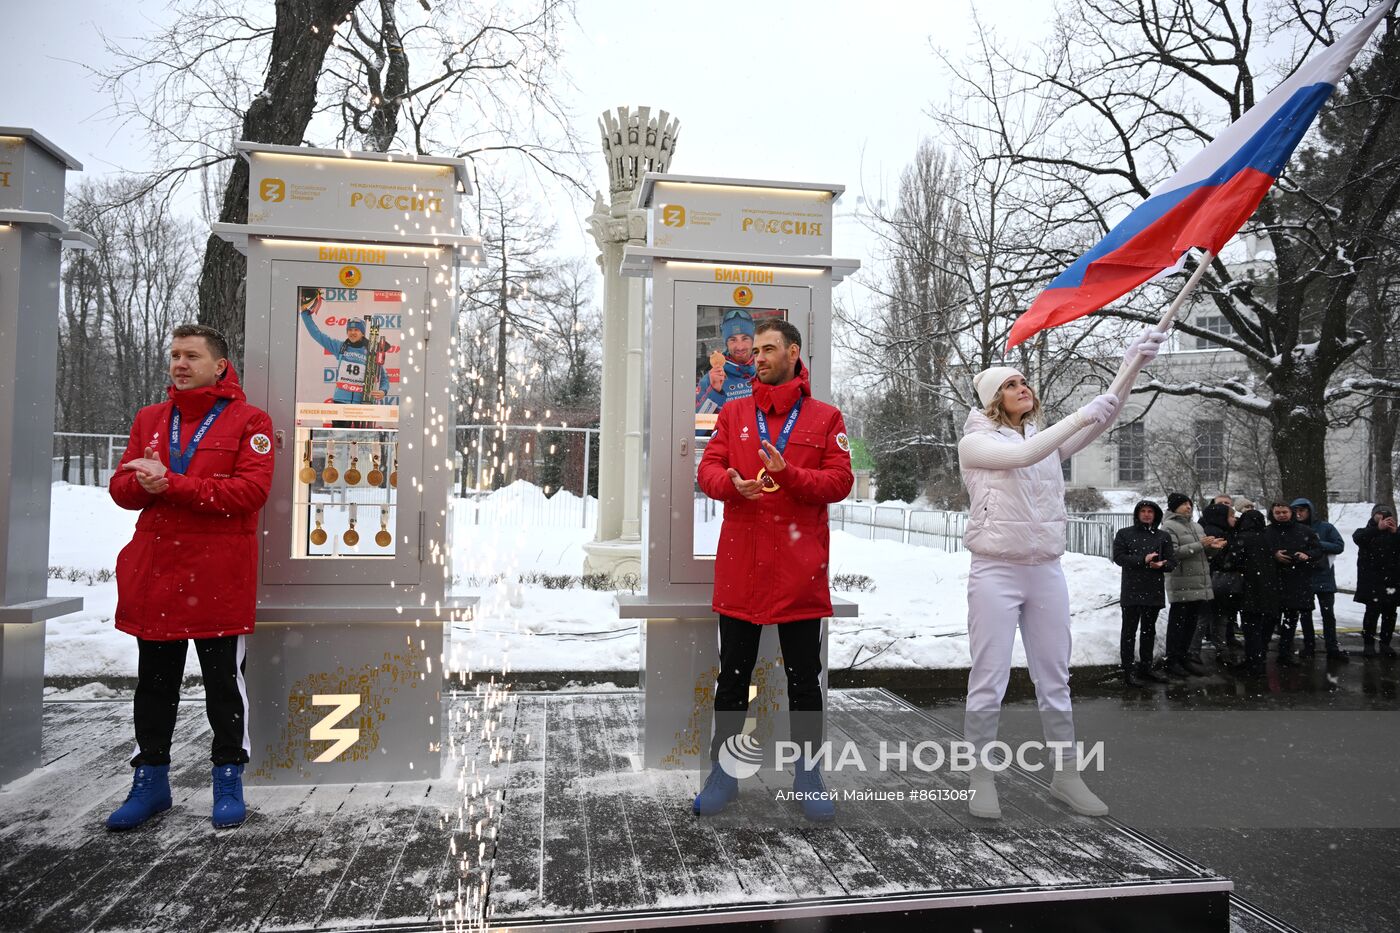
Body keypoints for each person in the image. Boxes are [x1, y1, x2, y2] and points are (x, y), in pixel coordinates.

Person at [958, 326, 1169, 820]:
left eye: (1024, 381)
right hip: (995, 570)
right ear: (993, 399)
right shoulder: (975, 443)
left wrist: (1131, 364)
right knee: (989, 677)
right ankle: (980, 775)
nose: (1022, 387)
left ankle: (1066, 775)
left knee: (1055, 677)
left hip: (1045, 569)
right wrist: (1079, 414)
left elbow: (1104, 414)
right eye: (1011, 384)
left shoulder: (1043, 437)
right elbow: (1023, 455)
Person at [105, 324, 275, 831]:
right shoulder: (150, 419)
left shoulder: (251, 421)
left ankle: (228, 778)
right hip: (157, 574)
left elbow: (248, 495)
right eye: (175, 355)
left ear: (220, 365)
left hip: (219, 577)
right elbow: (121, 489)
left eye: (191, 356)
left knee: (223, 685)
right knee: (154, 686)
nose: (179, 364)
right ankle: (151, 781)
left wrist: (171, 484)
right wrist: (140, 482)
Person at [692, 319, 853, 822]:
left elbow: (839, 482)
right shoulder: (735, 412)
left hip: (798, 568)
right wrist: (729, 485)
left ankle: (809, 775)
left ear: (793, 352)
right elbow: (708, 468)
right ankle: (723, 775)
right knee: (733, 679)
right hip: (743, 566)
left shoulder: (826, 417)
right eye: (754, 349)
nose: (757, 357)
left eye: (767, 349)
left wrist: (792, 475)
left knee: (805, 679)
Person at [1111, 500, 1176, 687]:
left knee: (1149, 631)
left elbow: (1172, 561)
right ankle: (1128, 670)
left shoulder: (1163, 536)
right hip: (1132, 589)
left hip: (1153, 589)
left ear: (1156, 515)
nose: (1147, 514)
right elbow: (1119, 558)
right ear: (1137, 514)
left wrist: (1162, 564)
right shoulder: (1125, 534)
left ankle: (1146, 667)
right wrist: (1143, 560)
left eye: (1150, 511)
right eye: (1143, 511)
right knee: (1129, 631)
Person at [1160, 494, 1226, 678]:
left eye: (1189, 504)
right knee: (1178, 624)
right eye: (1183, 504)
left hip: (1198, 582)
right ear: (1174, 508)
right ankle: (1172, 660)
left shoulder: (1196, 526)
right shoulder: (1168, 527)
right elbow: (1172, 553)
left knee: (1190, 624)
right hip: (1181, 582)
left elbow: (1203, 553)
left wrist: (1213, 547)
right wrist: (1199, 545)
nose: (1188, 507)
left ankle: (1184, 658)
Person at [298, 288, 389, 404]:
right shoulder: (340, 347)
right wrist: (305, 313)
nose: (352, 332)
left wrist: (383, 391)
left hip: (362, 402)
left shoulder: (371, 352)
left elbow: (383, 376)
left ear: (362, 333)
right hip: (340, 401)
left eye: (356, 329)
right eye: (350, 329)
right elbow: (317, 334)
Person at [1290, 497, 1348, 660]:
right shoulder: (1293, 529)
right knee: (1306, 616)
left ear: (1310, 511)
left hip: (1324, 577)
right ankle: (1309, 647)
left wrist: (1317, 544)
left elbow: (1339, 546)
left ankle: (1332, 648)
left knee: (1328, 615)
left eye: (1302, 510)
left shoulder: (1325, 527)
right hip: (1303, 578)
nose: (1299, 514)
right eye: (1295, 511)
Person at [1265, 502, 1322, 667]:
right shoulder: (1267, 532)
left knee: (1291, 621)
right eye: (1278, 513)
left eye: (1284, 512)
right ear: (1272, 514)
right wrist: (1273, 555)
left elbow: (1318, 550)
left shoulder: (1305, 531)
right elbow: (1259, 553)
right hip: (1274, 581)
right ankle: (1261, 653)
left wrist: (1307, 555)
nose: (1281, 515)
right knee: (1270, 621)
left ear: (1291, 513)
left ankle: (1285, 654)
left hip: (1298, 581)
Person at [1234, 508, 1280, 675]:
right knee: (1262, 628)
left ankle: (1253, 663)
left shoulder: (1243, 538)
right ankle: (1259, 660)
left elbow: (1235, 560)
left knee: (1250, 627)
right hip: (1269, 587)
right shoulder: (1268, 537)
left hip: (1250, 587)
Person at [1199, 499, 1245, 666]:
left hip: (1218, 581)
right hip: (1217, 581)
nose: (1234, 519)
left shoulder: (1223, 530)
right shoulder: (1215, 533)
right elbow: (1219, 558)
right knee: (1213, 617)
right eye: (1232, 516)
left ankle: (1219, 648)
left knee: (1216, 617)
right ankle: (1208, 650)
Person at [1352, 505, 1400, 659]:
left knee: (1390, 614)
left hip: (1392, 581)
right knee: (1372, 614)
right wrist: (1377, 528)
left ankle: (1385, 643)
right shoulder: (1365, 532)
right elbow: (1359, 539)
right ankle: (1369, 644)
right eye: (1379, 515)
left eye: (1386, 516)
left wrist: (1395, 533)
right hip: (1371, 582)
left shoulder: (1395, 534)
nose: (1383, 518)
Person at [696, 308, 757, 415]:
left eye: (745, 338)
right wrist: (715, 392)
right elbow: (698, 427)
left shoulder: (766, 370)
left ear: (753, 340)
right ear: (726, 343)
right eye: (733, 339)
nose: (740, 346)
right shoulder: (711, 379)